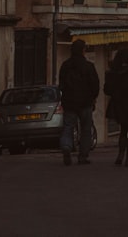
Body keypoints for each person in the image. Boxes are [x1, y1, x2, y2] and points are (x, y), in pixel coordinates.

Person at [57, 38, 100, 166]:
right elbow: (95, 85)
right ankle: (83, 156)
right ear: (83, 51)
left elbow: (61, 84)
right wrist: (93, 98)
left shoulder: (65, 66)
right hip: (85, 103)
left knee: (68, 126)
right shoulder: (89, 66)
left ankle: (66, 146)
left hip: (69, 102)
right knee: (86, 129)